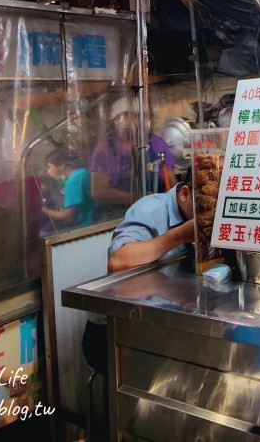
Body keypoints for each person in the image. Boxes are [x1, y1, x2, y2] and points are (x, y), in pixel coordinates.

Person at [82, 178, 195, 437]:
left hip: (158, 327)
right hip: (111, 334)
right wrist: (181, 234)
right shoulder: (150, 209)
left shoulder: (191, 208)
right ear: (185, 194)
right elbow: (119, 261)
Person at [89, 95, 176, 219]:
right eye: (128, 117)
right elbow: (98, 192)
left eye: (138, 116)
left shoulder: (156, 143)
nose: (134, 122)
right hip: (118, 217)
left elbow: (171, 182)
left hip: (158, 214)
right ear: (115, 121)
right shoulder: (105, 150)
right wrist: (137, 197)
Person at [42, 149, 93, 227]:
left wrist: (43, 210)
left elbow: (67, 216)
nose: (48, 171)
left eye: (49, 167)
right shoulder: (83, 172)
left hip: (86, 225)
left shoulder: (72, 182)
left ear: (62, 166)